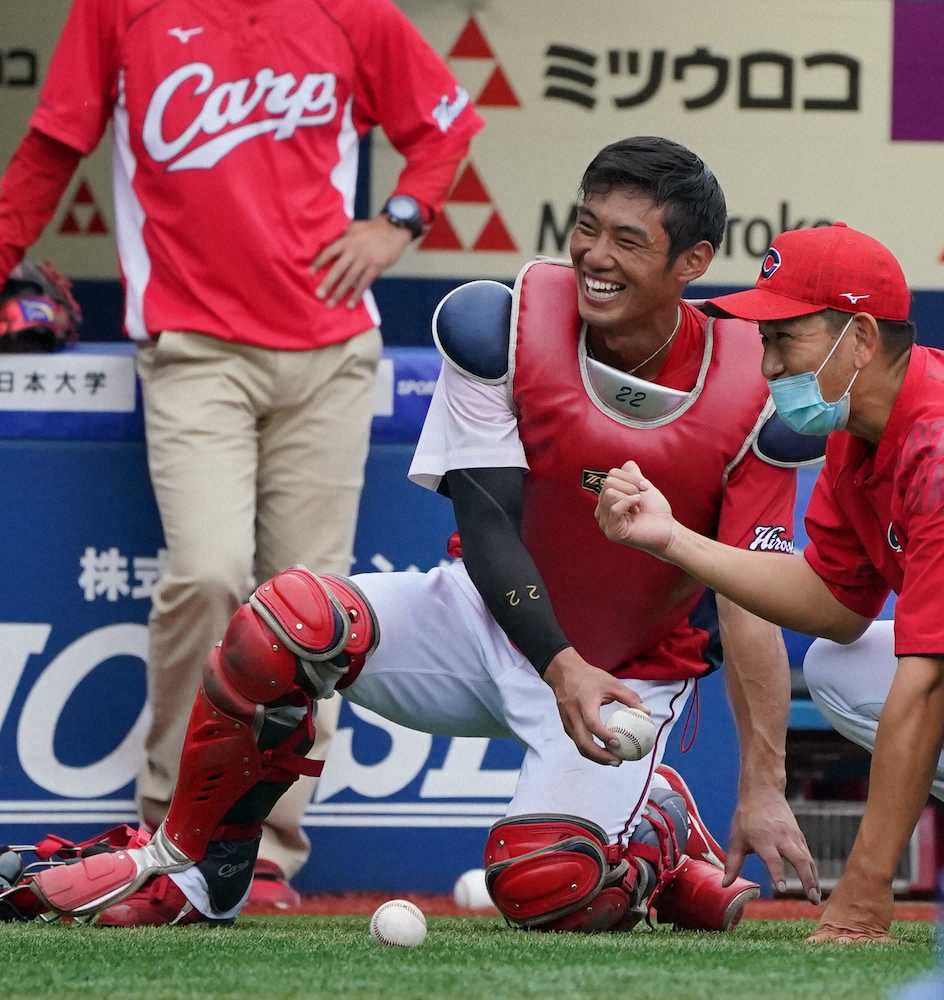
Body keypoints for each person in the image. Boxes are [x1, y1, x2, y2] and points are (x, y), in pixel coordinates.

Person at [3, 136, 819, 930]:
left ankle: (657, 838)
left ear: (693, 262)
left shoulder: (753, 383)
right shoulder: (497, 324)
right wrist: (557, 662)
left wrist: (763, 781)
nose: (595, 255)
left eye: (627, 240)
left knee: (548, 887)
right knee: (289, 620)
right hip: (489, 617)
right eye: (587, 227)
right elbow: (486, 517)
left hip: (626, 675)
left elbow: (750, 600)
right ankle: (197, 869)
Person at [0, 0, 482, 907]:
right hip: (194, 348)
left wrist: (400, 221)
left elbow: (447, 122)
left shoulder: (353, 12)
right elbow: (51, 149)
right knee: (212, 574)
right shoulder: (119, 9)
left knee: (313, 613)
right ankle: (173, 834)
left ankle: (261, 851)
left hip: (331, 354)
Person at [595, 221, 944, 943]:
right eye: (765, 342)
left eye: (788, 339)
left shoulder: (935, 444)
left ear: (861, 339)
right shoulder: (858, 431)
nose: (770, 365)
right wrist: (674, 540)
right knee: (841, 665)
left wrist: (866, 893)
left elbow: (930, 680)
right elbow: (835, 604)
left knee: (916, 678)